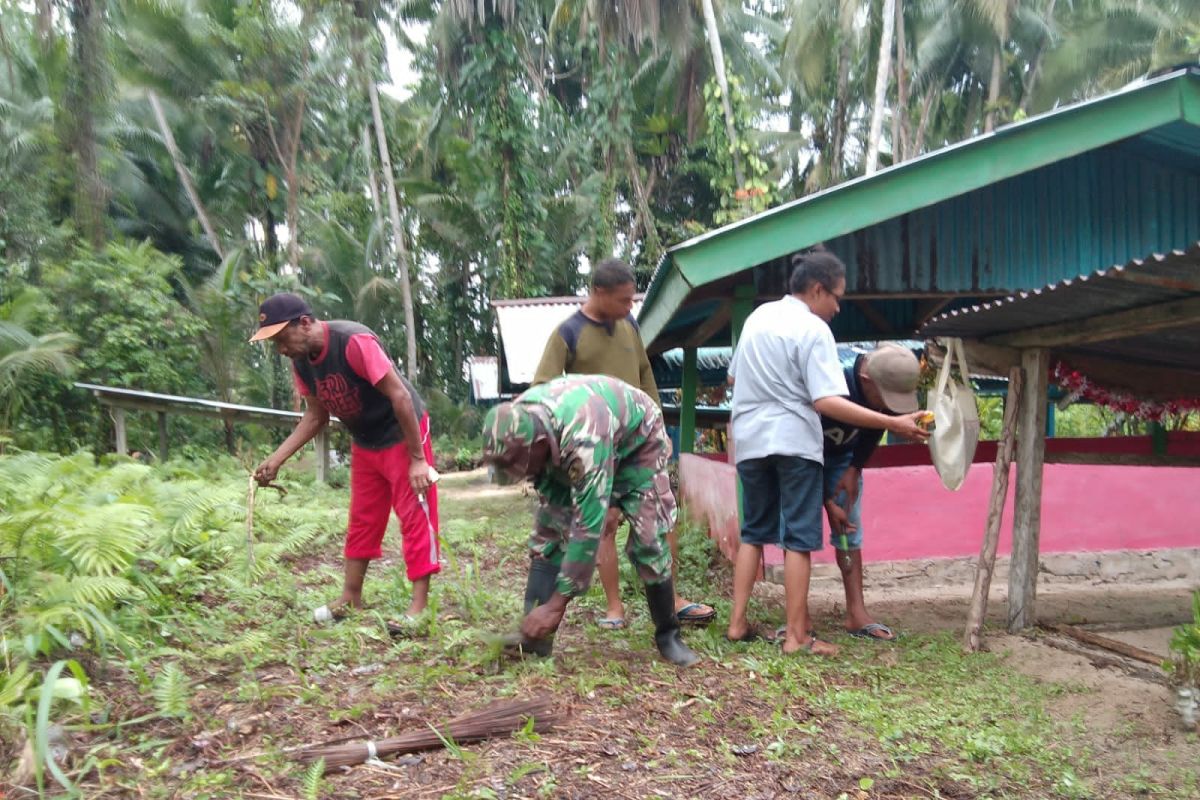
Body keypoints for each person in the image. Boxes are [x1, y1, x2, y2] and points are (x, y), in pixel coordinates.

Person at [724, 251, 928, 656]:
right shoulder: (813, 330)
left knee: (754, 533)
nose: (837, 307)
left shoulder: (757, 319)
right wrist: (894, 424)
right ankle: (797, 638)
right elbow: (826, 401)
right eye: (836, 297)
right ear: (817, 289)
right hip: (793, 442)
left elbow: (732, 376)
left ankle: (737, 623)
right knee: (798, 540)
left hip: (749, 440)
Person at [532, 258, 715, 631]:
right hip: (596, 444)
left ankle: (672, 598)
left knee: (662, 519)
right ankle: (615, 607)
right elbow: (543, 389)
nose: (630, 308)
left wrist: (658, 425)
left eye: (632, 300)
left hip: (640, 440)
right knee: (606, 522)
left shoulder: (628, 324)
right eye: (623, 300)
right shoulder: (568, 333)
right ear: (599, 293)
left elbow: (645, 372)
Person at [481, 374, 700, 667]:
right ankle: (535, 639)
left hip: (638, 440)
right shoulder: (515, 418)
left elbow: (588, 528)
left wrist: (556, 606)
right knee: (549, 530)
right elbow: (554, 523)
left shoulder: (584, 438)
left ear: (541, 445)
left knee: (648, 539)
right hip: (578, 441)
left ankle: (668, 636)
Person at [249, 293, 439, 626]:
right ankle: (351, 599)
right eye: (274, 343)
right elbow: (315, 417)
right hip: (365, 440)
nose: (281, 349)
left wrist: (417, 459)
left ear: (305, 323)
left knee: (414, 513)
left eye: (282, 338)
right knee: (363, 517)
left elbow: (400, 395)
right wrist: (276, 459)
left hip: (402, 432)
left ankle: (419, 607)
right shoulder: (301, 363)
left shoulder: (353, 341)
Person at [820, 343, 924, 642]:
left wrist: (854, 469)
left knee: (849, 531)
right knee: (797, 532)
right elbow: (801, 447)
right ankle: (797, 616)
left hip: (843, 459)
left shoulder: (877, 392)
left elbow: (873, 427)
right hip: (800, 458)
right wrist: (827, 502)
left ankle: (857, 612)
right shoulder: (831, 385)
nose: (887, 407)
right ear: (866, 378)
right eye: (884, 396)